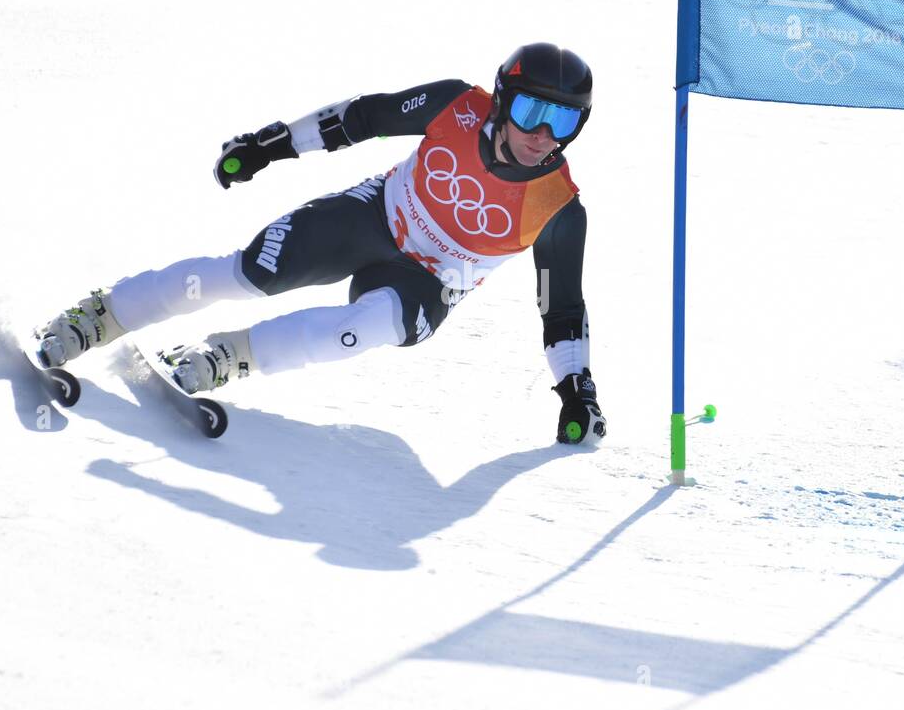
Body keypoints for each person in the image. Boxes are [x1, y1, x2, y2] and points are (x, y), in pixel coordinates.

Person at [35, 42, 606, 444]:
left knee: (371, 326)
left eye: (563, 120)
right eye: (532, 110)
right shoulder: (457, 106)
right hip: (373, 217)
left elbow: (560, 308)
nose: (541, 135)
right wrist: (270, 146)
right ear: (504, 101)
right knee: (252, 272)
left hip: (429, 282)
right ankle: (102, 314)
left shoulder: (556, 206)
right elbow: (362, 118)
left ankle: (225, 356)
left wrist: (576, 390)